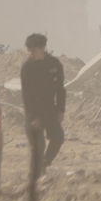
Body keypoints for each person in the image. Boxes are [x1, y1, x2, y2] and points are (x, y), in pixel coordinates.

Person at [20, 33, 65, 177]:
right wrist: (33, 117)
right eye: (29, 50)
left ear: (42, 48)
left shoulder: (54, 64)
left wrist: (60, 109)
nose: (30, 53)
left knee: (58, 137)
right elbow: (26, 95)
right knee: (38, 146)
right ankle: (34, 176)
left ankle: (44, 164)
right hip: (33, 112)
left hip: (50, 110)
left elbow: (60, 88)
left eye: (33, 50)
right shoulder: (27, 67)